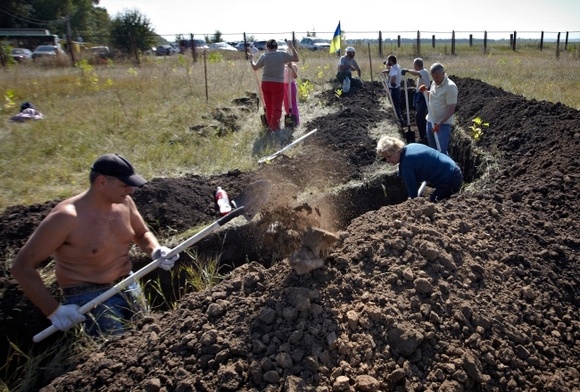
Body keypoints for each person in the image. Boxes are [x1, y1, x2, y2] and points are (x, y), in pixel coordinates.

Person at [11, 153, 179, 337]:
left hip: (129, 284)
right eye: (124, 185)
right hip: (91, 297)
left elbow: (141, 233)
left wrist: (155, 250)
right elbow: (22, 266)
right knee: (117, 352)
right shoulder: (66, 218)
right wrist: (53, 310)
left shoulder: (124, 203)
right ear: (101, 182)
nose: (131, 190)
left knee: (149, 337)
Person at [376, 135, 463, 202]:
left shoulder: (406, 165)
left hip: (451, 179)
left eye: (389, 156)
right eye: (385, 158)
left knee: (434, 202)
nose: (387, 160)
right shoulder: (410, 146)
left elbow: (413, 194)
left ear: (396, 151)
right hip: (454, 169)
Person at [250, 39, 299, 131]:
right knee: (277, 106)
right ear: (276, 47)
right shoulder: (281, 54)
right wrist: (292, 48)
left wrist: (251, 60)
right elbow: (296, 58)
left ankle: (270, 125)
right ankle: (275, 129)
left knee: (268, 106)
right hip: (277, 83)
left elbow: (255, 68)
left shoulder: (264, 56)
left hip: (265, 83)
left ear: (267, 47)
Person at [418, 63, 458, 155]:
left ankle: (444, 168)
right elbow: (433, 96)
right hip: (430, 121)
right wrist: (425, 92)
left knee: (441, 152)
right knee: (433, 150)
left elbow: (451, 110)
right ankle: (435, 167)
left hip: (442, 125)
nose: (436, 80)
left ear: (444, 74)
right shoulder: (434, 83)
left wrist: (439, 124)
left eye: (437, 77)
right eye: (433, 77)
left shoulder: (450, 87)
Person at [402, 58, 431, 144]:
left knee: (419, 116)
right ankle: (423, 135)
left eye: (414, 65)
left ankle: (425, 136)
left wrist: (407, 70)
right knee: (419, 116)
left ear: (416, 65)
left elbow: (417, 73)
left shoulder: (423, 71)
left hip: (424, 96)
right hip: (420, 96)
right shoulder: (422, 74)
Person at [383, 54, 405, 124]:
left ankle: (398, 120)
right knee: (396, 105)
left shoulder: (394, 68)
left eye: (388, 60)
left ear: (391, 61)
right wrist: (388, 72)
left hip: (394, 89)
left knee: (394, 105)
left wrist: (391, 82)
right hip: (397, 88)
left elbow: (394, 76)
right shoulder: (397, 66)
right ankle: (399, 120)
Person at [283, 60, 300, 127]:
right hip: (284, 85)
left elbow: (295, 76)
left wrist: (291, 67)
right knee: (286, 103)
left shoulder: (293, 65)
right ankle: (288, 119)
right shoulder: (283, 66)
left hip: (291, 85)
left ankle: (296, 120)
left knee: (292, 103)